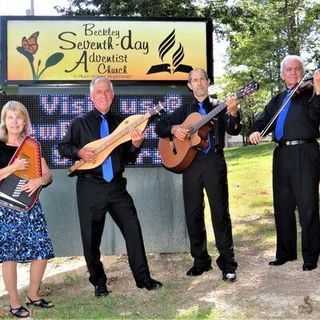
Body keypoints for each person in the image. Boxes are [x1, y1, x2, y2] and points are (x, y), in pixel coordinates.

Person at [58, 76, 162, 297]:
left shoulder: (124, 123)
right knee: (91, 239)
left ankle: (143, 279)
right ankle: (99, 282)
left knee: (133, 229)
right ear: (91, 97)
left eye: (107, 92)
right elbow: (63, 147)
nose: (103, 95)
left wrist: (135, 145)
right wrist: (79, 152)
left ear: (112, 96)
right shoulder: (80, 123)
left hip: (116, 187)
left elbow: (128, 158)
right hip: (89, 188)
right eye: (98, 92)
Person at [155, 68, 240, 282]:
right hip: (191, 165)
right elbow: (160, 127)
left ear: (208, 82)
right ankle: (200, 261)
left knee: (220, 213)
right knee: (193, 214)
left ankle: (228, 264)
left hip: (214, 164)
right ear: (189, 85)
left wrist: (233, 113)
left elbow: (234, 130)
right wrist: (174, 129)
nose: (199, 83)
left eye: (203, 79)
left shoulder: (219, 106)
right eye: (195, 80)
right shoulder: (184, 110)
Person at [249, 55, 320, 271]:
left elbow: (317, 116)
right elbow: (262, 120)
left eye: (297, 69)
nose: (294, 73)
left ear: (302, 72)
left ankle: (310, 257)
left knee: (307, 206)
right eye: (289, 69)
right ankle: (285, 253)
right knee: (283, 206)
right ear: (282, 75)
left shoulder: (311, 94)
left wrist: (317, 90)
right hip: (281, 155)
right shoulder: (279, 99)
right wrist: (255, 130)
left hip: (304, 152)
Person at [0, 101, 54, 318]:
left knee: (42, 250)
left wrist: (40, 180)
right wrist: (13, 168)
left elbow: (49, 175)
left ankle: (33, 294)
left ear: (25, 122)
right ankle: (14, 303)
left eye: (19, 117)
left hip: (30, 207)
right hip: (4, 208)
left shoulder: (32, 145)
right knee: (8, 255)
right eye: (10, 117)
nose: (14, 122)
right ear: (4, 121)